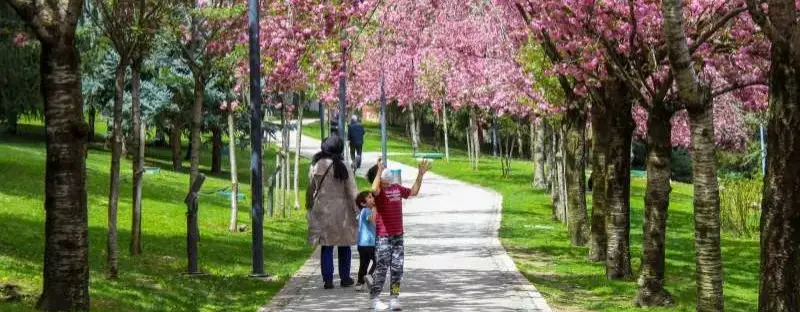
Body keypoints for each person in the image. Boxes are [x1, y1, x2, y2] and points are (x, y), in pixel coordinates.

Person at [365, 158, 431, 311]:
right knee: (382, 267)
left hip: (398, 236)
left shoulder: (396, 188)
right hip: (383, 237)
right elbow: (374, 189)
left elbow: (413, 191)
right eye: (382, 170)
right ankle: (375, 299)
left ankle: (394, 297)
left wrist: (420, 175)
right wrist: (379, 170)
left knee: (397, 268)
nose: (387, 171)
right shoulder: (378, 194)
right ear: (378, 176)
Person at [306, 136, 359, 289]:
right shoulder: (344, 166)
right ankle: (345, 278)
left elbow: (311, 188)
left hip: (323, 209)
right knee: (344, 245)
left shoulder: (317, 165)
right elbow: (352, 190)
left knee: (326, 245)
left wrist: (309, 204)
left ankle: (327, 280)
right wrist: (359, 209)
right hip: (342, 211)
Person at [354, 191, 377, 292]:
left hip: (362, 244)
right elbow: (371, 219)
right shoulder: (367, 210)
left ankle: (359, 283)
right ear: (363, 203)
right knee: (378, 261)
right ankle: (370, 275)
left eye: (372, 197)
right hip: (370, 243)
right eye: (369, 197)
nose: (372, 199)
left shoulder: (362, 212)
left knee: (363, 263)